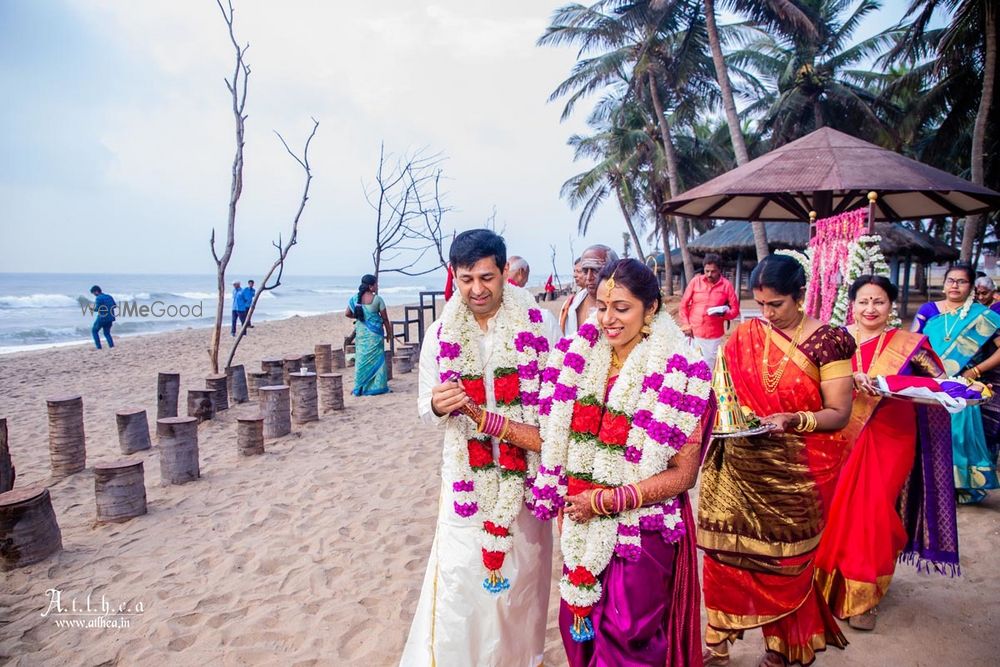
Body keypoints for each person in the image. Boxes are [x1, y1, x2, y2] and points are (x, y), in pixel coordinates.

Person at [529, 258, 714, 666]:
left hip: (642, 530)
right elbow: (552, 440)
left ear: (650, 310)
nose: (608, 319)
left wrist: (607, 501)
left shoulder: (681, 373)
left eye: (622, 308)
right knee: (578, 625)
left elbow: (683, 475)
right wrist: (482, 419)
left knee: (628, 634)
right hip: (580, 519)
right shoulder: (574, 361)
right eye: (601, 306)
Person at [401, 230, 560, 666]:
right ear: (455, 275)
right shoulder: (439, 334)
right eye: (467, 278)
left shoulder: (540, 324)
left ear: (505, 272)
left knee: (521, 582)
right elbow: (422, 406)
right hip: (465, 481)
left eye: (487, 277)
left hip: (526, 478)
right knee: (462, 581)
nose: (477, 289)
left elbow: (559, 403)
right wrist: (436, 404)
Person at [699, 254, 855, 667]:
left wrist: (793, 419)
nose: (767, 315)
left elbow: (839, 412)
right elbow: (725, 397)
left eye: (777, 305)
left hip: (798, 473)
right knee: (724, 559)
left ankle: (782, 648)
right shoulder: (745, 335)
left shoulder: (828, 341)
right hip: (739, 466)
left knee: (784, 566)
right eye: (760, 305)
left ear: (800, 296)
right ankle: (717, 645)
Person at [814, 275, 959, 632]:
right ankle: (827, 587)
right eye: (863, 301)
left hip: (891, 436)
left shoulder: (910, 344)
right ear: (852, 304)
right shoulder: (836, 340)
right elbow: (809, 378)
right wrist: (848, 379)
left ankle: (863, 596)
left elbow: (940, 383)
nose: (870, 309)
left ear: (891, 306)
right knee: (833, 508)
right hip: (840, 435)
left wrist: (886, 383)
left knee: (874, 510)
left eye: (878, 302)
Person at [912, 263, 1000, 504]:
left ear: (971, 287)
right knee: (926, 433)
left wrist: (976, 370)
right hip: (930, 384)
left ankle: (958, 487)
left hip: (962, 386)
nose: (954, 285)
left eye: (961, 281)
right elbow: (912, 344)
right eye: (950, 280)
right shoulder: (929, 310)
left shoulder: (983, 317)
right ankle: (927, 484)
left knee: (957, 435)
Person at [678, 253, 740, 368]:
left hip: (713, 335)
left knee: (708, 366)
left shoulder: (727, 286)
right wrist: (686, 325)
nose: (709, 274)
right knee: (690, 364)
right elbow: (683, 305)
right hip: (692, 332)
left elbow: (735, 311)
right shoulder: (695, 282)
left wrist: (724, 315)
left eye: (713, 271)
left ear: (719, 270)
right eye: (707, 271)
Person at [345, 274, 391, 396]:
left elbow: (347, 313)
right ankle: (378, 387)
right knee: (377, 360)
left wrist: (360, 317)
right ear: (371, 286)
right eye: (376, 284)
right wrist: (389, 334)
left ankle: (360, 387)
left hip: (362, 336)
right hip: (375, 336)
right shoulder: (378, 300)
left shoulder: (355, 299)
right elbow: (385, 319)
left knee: (361, 360)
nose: (377, 286)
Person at [559, 245, 619, 335]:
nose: (589, 277)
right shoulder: (570, 305)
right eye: (585, 271)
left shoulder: (624, 308)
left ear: (614, 272)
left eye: (596, 270)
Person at [90, 285, 116, 349]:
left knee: (94, 331)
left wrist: (92, 309)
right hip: (110, 317)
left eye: (93, 293)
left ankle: (98, 347)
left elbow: (97, 308)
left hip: (102, 317)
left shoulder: (98, 298)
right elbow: (114, 306)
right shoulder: (109, 296)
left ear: (96, 292)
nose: (94, 295)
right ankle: (111, 346)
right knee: (107, 333)